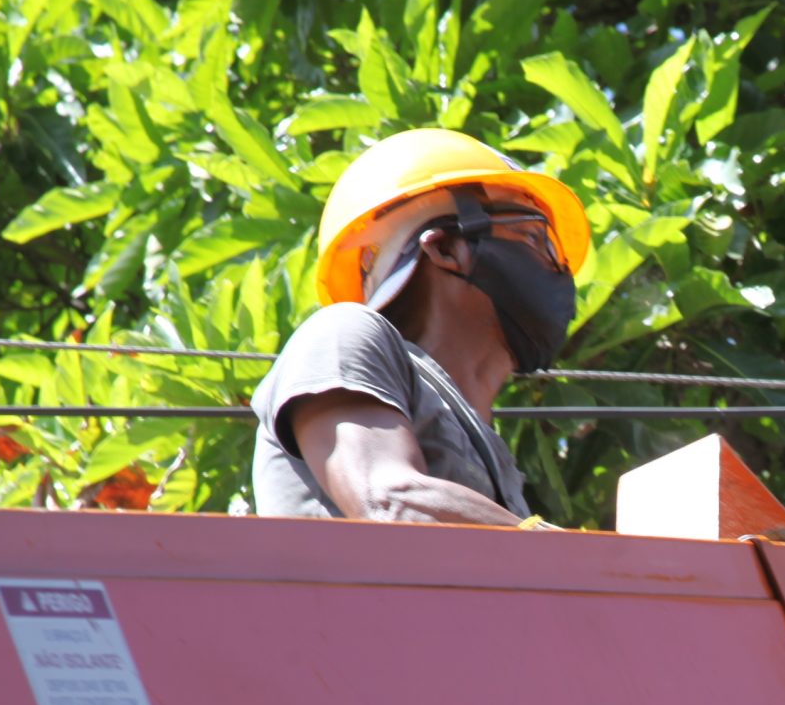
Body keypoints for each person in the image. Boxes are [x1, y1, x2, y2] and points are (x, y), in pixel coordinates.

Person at [251, 128, 591, 525]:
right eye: (534, 237)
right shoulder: (343, 333)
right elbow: (390, 500)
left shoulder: (484, 443)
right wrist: (560, 552)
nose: (558, 270)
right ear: (446, 248)